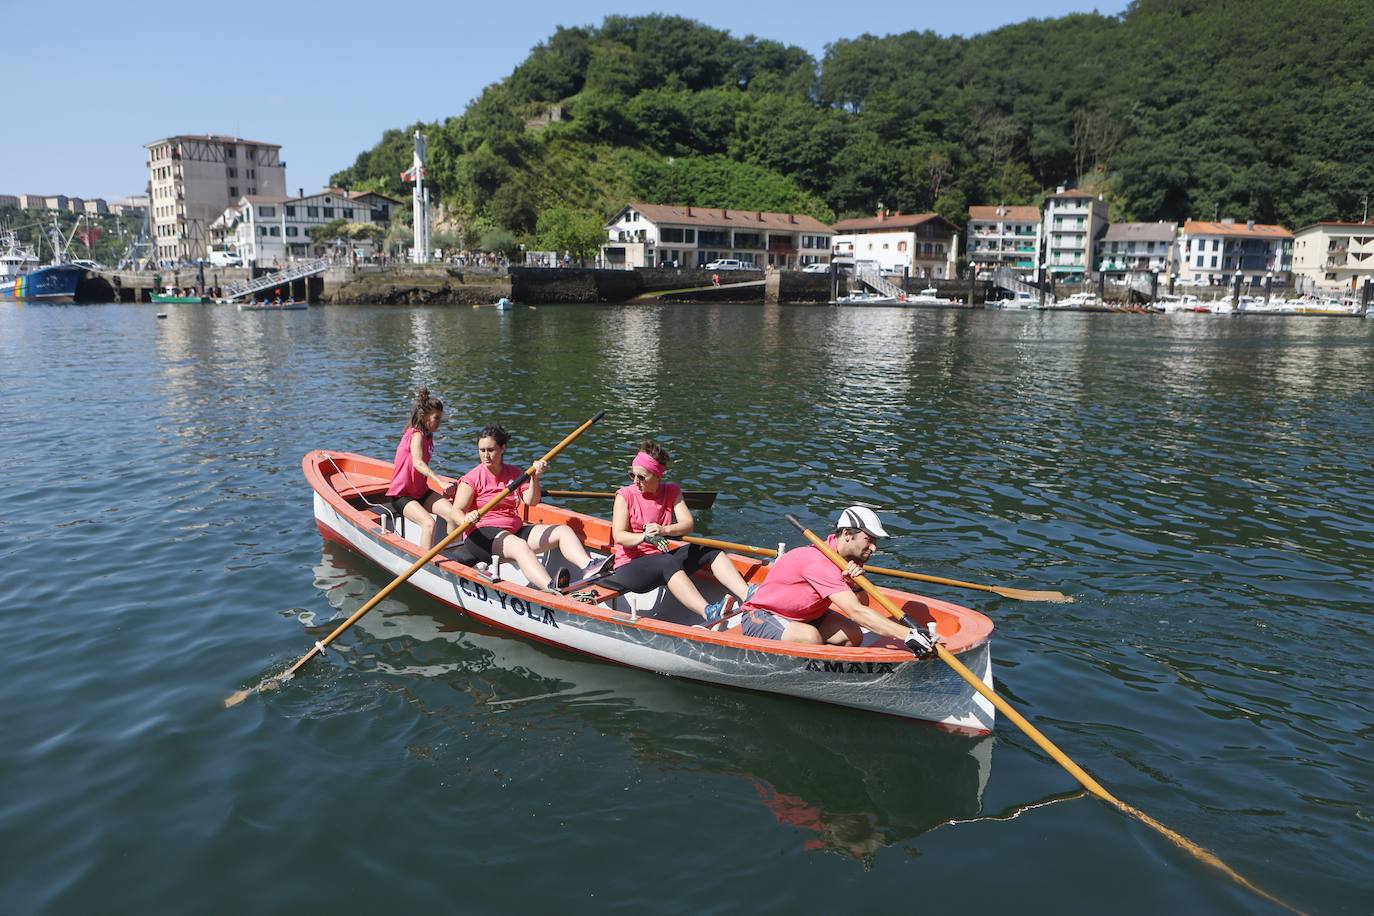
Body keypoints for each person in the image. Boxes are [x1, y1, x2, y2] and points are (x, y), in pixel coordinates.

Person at [604, 439, 753, 623]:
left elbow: (687, 524)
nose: (635, 481)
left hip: (661, 561)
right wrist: (644, 537)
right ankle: (709, 612)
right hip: (630, 568)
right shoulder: (624, 496)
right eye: (632, 475)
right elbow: (619, 536)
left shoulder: (672, 491)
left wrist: (663, 529)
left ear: (657, 476)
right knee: (666, 561)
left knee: (706, 549)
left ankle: (749, 595)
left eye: (641, 477)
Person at [738, 507, 921, 646]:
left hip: (807, 615)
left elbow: (862, 605)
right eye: (869, 540)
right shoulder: (818, 562)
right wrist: (908, 635)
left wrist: (855, 585)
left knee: (852, 634)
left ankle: (825, 667)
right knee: (810, 637)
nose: (874, 548)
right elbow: (856, 613)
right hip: (763, 615)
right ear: (847, 534)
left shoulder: (852, 557)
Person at [449, 424, 600, 592]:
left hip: (513, 529)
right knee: (520, 546)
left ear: (503, 448)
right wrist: (465, 518)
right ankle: (551, 589)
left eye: (490, 450)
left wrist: (534, 477)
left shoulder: (515, 473)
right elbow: (456, 511)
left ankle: (590, 566)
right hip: (481, 536)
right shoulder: (472, 478)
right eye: (482, 450)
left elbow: (532, 501)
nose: (486, 455)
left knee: (563, 532)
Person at [383, 388, 464, 551]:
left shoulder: (428, 436)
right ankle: (425, 565)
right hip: (402, 495)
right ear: (425, 417)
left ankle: (455, 554)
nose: (439, 422)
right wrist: (440, 481)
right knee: (429, 524)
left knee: (454, 515)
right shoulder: (416, 434)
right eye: (437, 418)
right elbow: (417, 462)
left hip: (421, 492)